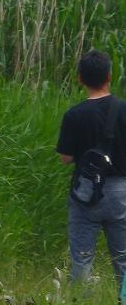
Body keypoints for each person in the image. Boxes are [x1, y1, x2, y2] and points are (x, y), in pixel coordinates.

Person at [56, 49, 126, 288]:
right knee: (124, 260)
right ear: (109, 76)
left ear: (80, 79)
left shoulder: (74, 115)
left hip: (85, 192)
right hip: (121, 192)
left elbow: (65, 158)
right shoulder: (124, 109)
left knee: (81, 260)